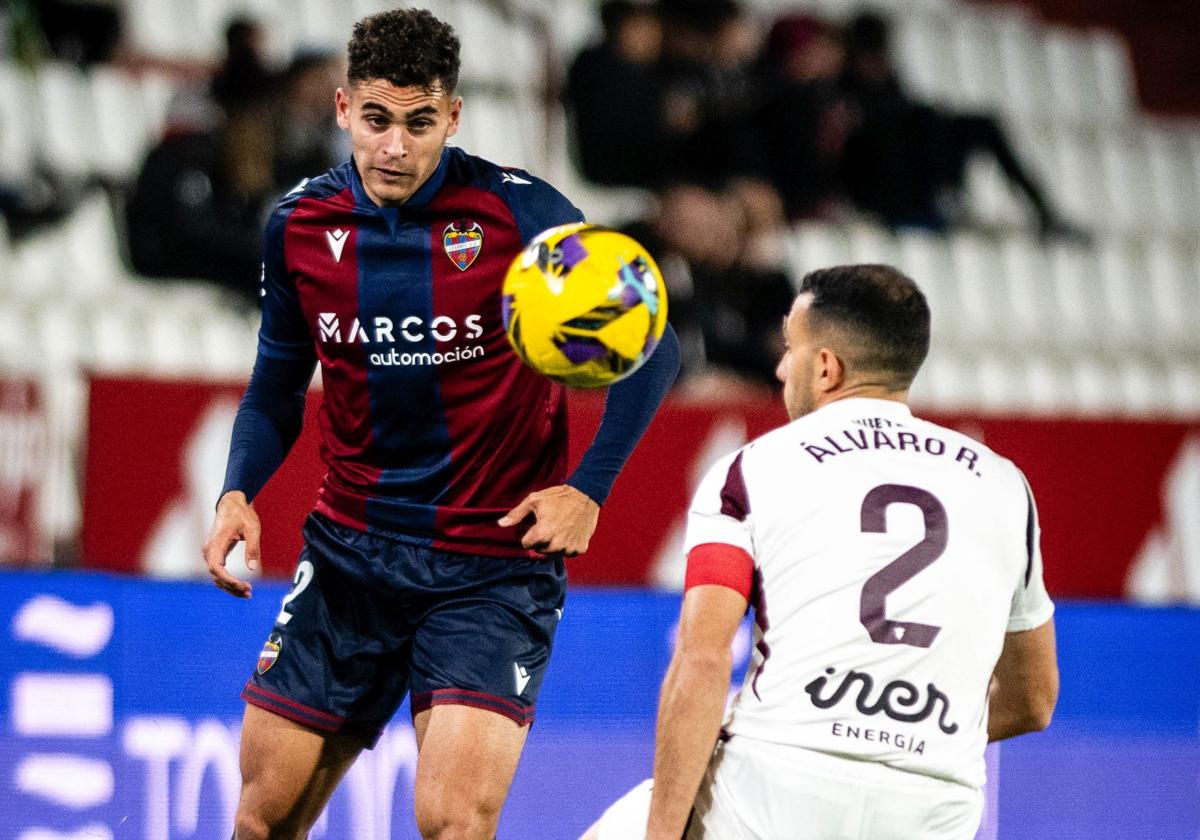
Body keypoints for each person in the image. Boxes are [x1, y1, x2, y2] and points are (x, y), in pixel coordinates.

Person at [201, 9, 680, 840]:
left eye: (419, 123)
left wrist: (588, 489)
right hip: (350, 554)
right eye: (378, 120)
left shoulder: (518, 216)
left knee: (452, 821)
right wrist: (239, 489)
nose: (395, 146)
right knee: (261, 817)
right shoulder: (299, 227)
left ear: (451, 118)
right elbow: (279, 381)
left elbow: (656, 345)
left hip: (491, 568)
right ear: (345, 107)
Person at [584, 264, 1057, 839]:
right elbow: (1034, 699)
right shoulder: (1005, 485)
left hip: (776, 782)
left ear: (827, 366)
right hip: (933, 802)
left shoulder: (753, 468)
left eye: (790, 349)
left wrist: (662, 834)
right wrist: (912, 741)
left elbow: (703, 660)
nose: (782, 367)